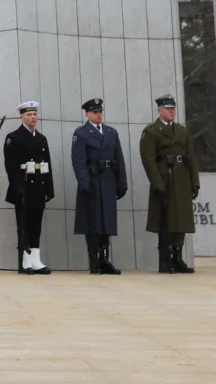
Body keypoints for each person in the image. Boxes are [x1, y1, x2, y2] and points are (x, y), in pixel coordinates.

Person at [140, 93, 200, 274]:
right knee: (165, 221)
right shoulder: (151, 131)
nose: (171, 112)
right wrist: (158, 183)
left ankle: (178, 258)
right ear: (160, 111)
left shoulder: (181, 131)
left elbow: (191, 157)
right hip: (165, 178)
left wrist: (194, 182)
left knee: (180, 220)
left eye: (173, 109)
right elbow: (148, 160)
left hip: (181, 178)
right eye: (168, 109)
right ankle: (165, 260)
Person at [72, 98, 127, 274]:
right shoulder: (81, 133)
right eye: (95, 112)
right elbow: (78, 161)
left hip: (108, 180)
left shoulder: (111, 133)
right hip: (93, 181)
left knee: (107, 223)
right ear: (87, 114)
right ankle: (95, 260)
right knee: (93, 223)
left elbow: (119, 159)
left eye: (100, 112)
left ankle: (105, 259)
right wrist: (84, 183)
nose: (99, 115)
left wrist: (122, 183)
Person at [3, 100, 52, 274]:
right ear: (21, 117)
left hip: (38, 187)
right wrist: (18, 188)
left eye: (35, 114)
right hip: (24, 188)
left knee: (36, 226)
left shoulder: (41, 138)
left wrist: (49, 189)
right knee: (23, 225)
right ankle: (25, 261)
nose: (33, 118)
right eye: (29, 115)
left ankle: (35, 259)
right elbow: (11, 166)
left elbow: (47, 165)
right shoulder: (14, 138)